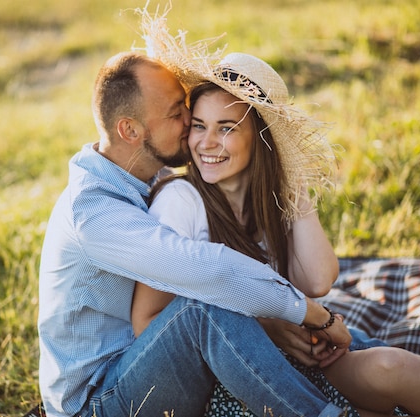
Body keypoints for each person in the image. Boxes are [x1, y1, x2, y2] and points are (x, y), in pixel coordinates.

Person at [130, 50, 420, 417]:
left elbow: (317, 281)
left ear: (260, 138)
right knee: (384, 389)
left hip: (295, 353)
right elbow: (148, 321)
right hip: (239, 375)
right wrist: (265, 328)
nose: (206, 143)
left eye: (226, 128)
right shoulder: (182, 201)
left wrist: (295, 188)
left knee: (393, 368)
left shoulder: (267, 199)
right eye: (200, 125)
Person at [38, 50, 359, 417]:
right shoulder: (93, 214)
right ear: (130, 130)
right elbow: (208, 270)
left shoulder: (144, 176)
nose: (189, 123)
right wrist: (310, 314)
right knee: (202, 307)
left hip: (145, 364)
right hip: (97, 401)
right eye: (177, 113)